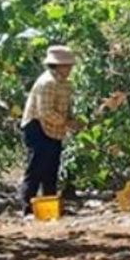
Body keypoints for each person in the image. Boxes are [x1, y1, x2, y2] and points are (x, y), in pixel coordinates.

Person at [19, 45, 82, 215]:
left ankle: (50, 205)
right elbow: (45, 112)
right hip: (37, 126)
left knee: (52, 167)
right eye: (67, 65)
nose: (69, 69)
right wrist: (68, 122)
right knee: (36, 167)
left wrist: (72, 120)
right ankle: (28, 208)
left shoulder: (66, 84)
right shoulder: (47, 82)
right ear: (58, 66)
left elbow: (66, 107)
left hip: (54, 128)